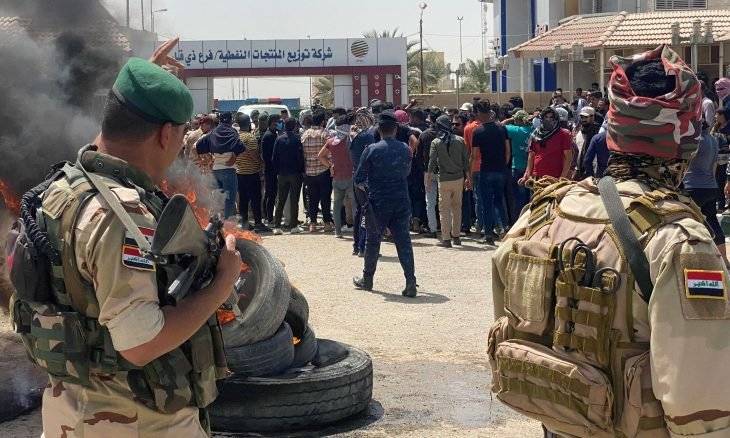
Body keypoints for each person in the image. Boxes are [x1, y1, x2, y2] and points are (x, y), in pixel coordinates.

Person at [491, 45, 730, 438]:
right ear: (687, 138)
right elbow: (698, 400)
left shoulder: (543, 211)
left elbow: (512, 325)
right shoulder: (681, 242)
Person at [9, 43, 241, 436]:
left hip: (73, 414)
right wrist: (222, 283)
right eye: (181, 134)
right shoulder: (122, 219)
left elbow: (107, 139)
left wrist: (138, 86)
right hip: (135, 422)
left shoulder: (66, 185)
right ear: (166, 134)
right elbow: (140, 343)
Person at [353, 110, 417, 297]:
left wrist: (369, 192)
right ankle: (410, 282)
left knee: (373, 241)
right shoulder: (405, 149)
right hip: (401, 200)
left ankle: (367, 279)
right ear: (395, 129)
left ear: (379, 129)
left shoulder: (371, 150)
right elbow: (407, 172)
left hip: (378, 203)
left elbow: (358, 179)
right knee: (404, 242)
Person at [684, 124, 727, 260]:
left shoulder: (695, 140)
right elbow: (714, 165)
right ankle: (724, 258)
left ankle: (694, 258)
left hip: (693, 186)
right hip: (710, 185)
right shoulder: (713, 140)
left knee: (688, 221)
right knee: (712, 220)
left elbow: (686, 162)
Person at [427, 115, 470, 248]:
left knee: (444, 209)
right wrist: (468, 178)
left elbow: (431, 162)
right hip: (458, 178)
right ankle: (456, 236)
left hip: (444, 179)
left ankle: (446, 239)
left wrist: (428, 179)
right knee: (457, 208)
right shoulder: (460, 140)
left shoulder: (436, 142)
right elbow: (466, 161)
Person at [471, 101, 510, 245]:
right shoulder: (502, 128)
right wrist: (504, 165)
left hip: (486, 170)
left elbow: (474, 155)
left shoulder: (478, 131)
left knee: (486, 203)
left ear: (479, 113)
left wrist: (470, 173)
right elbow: (507, 151)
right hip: (500, 170)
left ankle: (488, 235)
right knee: (499, 201)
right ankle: (505, 228)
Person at [195, 111, 245, 219]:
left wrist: (210, 155)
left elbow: (199, 145)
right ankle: (227, 224)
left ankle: (217, 224)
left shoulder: (214, 131)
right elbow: (241, 146)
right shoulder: (232, 131)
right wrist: (234, 155)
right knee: (229, 201)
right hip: (229, 170)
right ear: (231, 120)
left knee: (218, 201)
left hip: (216, 171)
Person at [319, 115, 354, 238]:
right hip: (351, 177)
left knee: (337, 206)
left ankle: (338, 232)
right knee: (354, 205)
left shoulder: (331, 142)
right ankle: (357, 232)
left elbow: (320, 156)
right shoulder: (351, 140)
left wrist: (330, 166)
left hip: (337, 177)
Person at [235, 113, 270, 232]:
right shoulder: (251, 137)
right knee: (255, 198)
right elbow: (254, 154)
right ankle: (258, 222)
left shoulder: (236, 137)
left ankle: (244, 223)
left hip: (239, 172)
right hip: (251, 173)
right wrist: (261, 163)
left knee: (243, 199)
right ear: (248, 124)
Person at [519, 107, 573, 182]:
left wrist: (562, 178)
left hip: (554, 178)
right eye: (546, 117)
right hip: (536, 177)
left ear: (556, 119)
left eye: (551, 118)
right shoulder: (536, 134)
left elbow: (568, 158)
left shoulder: (563, 134)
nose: (548, 120)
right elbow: (531, 155)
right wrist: (526, 175)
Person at [302, 110, 335, 232]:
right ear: (322, 122)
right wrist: (330, 166)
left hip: (309, 172)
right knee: (325, 198)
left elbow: (303, 153)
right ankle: (327, 223)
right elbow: (330, 153)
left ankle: (313, 223)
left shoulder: (305, 134)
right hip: (323, 171)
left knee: (312, 199)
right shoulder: (325, 134)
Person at [272, 118, 306, 235]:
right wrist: (302, 170)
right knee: (294, 200)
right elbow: (300, 158)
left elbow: (274, 157)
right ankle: (293, 225)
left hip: (282, 173)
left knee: (281, 200)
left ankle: (277, 226)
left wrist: (277, 171)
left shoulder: (279, 139)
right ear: (294, 126)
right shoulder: (297, 139)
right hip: (295, 173)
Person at [350, 109, 376, 256]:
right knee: (367, 213)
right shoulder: (368, 137)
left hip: (356, 177)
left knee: (359, 212)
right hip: (366, 180)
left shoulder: (355, 137)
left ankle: (357, 245)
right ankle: (363, 247)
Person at [502, 110, 532, 220]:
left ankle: (518, 220)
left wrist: (511, 119)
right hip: (531, 168)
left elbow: (501, 125)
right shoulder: (534, 130)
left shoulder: (515, 130)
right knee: (530, 198)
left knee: (518, 198)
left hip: (517, 167)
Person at [260, 114, 280, 224]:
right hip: (270, 169)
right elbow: (267, 156)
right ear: (272, 123)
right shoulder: (269, 136)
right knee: (270, 194)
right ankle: (269, 217)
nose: (278, 124)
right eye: (277, 122)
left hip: (271, 169)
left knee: (270, 193)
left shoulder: (273, 134)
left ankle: (267, 215)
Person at [573, 106, 601, 179]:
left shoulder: (597, 132)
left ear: (592, 117)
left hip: (592, 171)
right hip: (578, 170)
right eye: (581, 117)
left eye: (586, 117)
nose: (583, 119)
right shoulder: (579, 131)